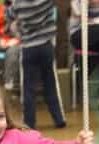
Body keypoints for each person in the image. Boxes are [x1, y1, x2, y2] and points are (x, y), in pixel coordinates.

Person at [5, 0, 66, 129]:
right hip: (46, 46)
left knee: (28, 88)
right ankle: (58, 119)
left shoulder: (17, 3)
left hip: (28, 48)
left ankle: (29, 123)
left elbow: (8, 16)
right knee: (50, 83)